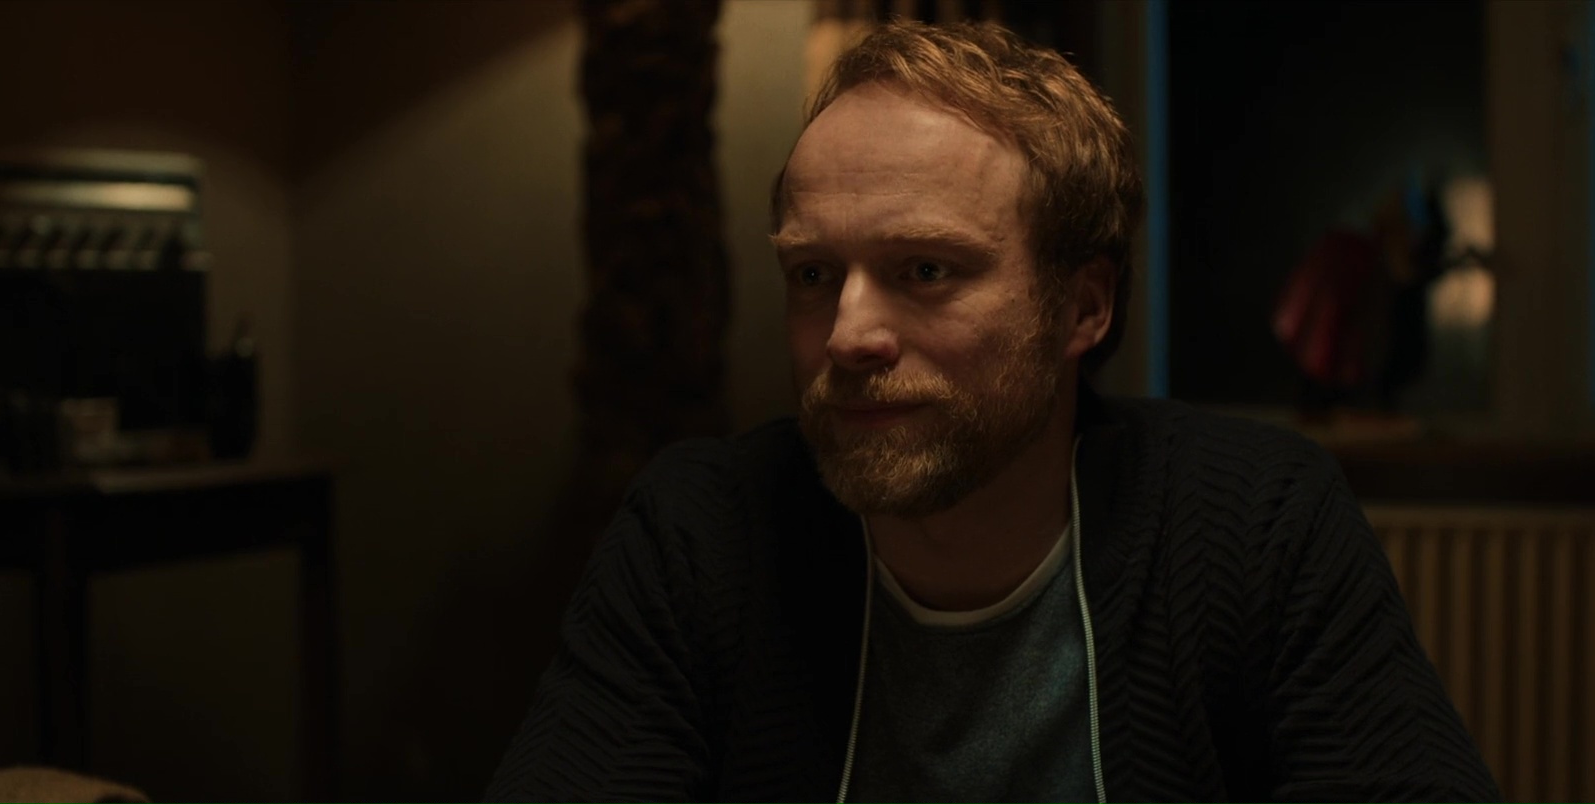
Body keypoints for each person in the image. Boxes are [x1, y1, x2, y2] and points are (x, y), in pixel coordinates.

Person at [485, 19, 1499, 804]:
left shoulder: (1252, 524)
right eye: (813, 274)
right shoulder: (701, 532)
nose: (848, 335)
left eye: (925, 270)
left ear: (1083, 307)